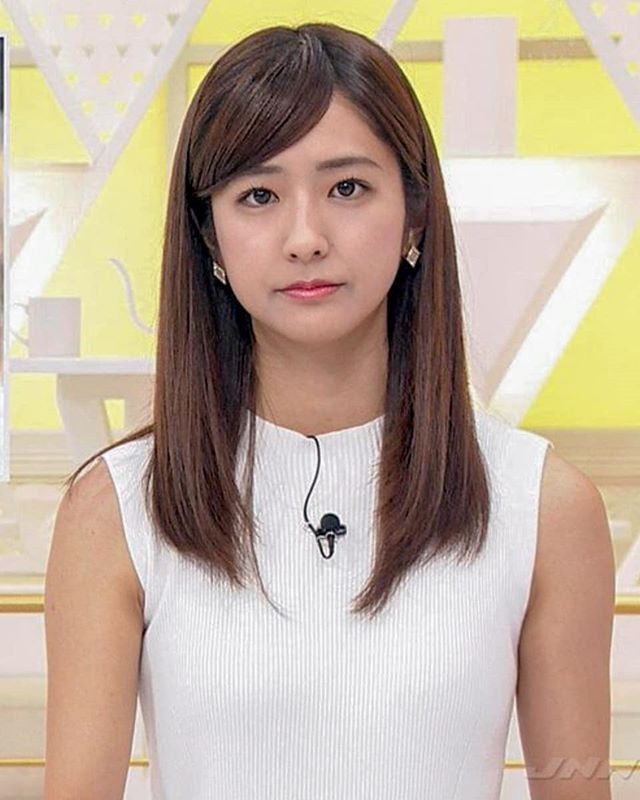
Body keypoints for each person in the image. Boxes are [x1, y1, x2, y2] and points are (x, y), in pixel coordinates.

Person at [42, 21, 615, 800]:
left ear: (415, 215)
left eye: (347, 188)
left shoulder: (543, 506)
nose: (305, 237)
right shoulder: (117, 510)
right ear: (209, 237)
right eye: (258, 196)